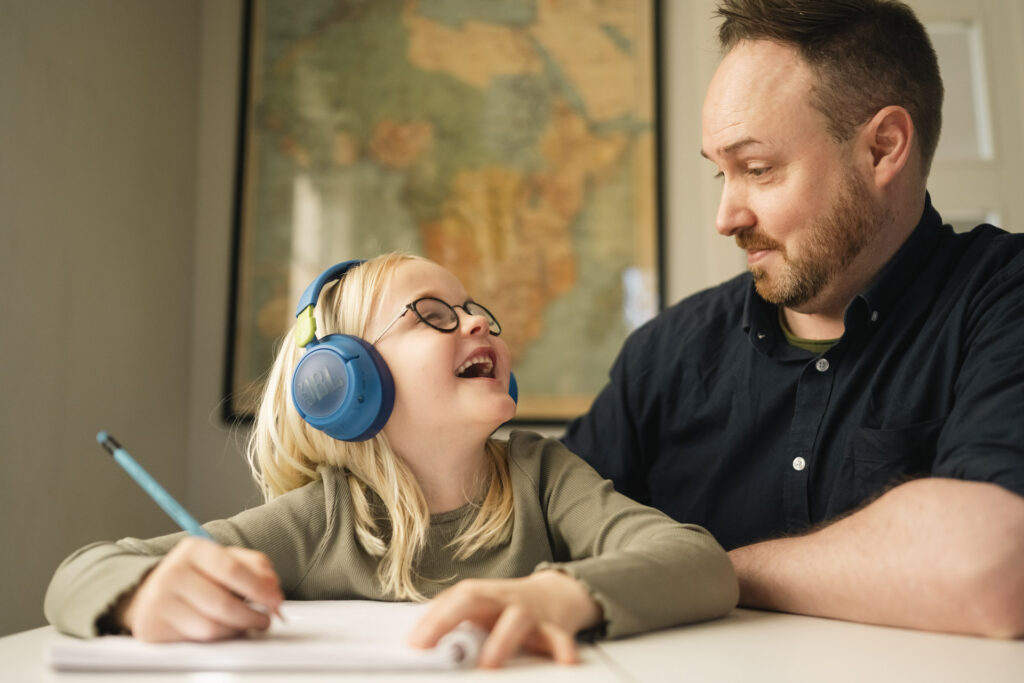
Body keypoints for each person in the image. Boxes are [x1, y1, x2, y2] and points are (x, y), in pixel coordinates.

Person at [563, 0, 1024, 637]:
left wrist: (699, 575)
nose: (727, 216)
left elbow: (996, 565)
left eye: (758, 169)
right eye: (721, 173)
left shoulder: (1005, 301)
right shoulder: (664, 355)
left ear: (882, 148)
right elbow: (532, 530)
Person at [44, 254, 737, 668]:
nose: (475, 321)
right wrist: (141, 597)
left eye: (473, 308)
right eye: (431, 313)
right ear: (345, 384)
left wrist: (558, 595)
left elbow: (699, 562)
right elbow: (78, 573)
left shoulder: (544, 475)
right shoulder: (321, 518)